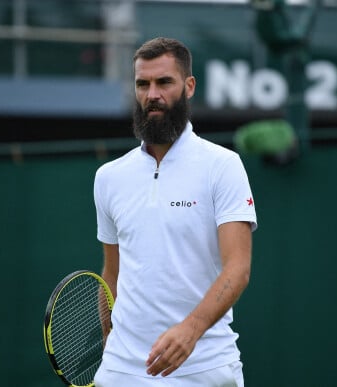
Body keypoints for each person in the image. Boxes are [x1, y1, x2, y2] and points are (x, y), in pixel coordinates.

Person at [93, 37, 257, 386]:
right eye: (143, 84)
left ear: (189, 86)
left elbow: (238, 268)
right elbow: (112, 275)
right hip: (121, 372)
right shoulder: (108, 178)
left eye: (164, 82)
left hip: (205, 370)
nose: (152, 94)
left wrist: (191, 329)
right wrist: (111, 344)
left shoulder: (223, 166)